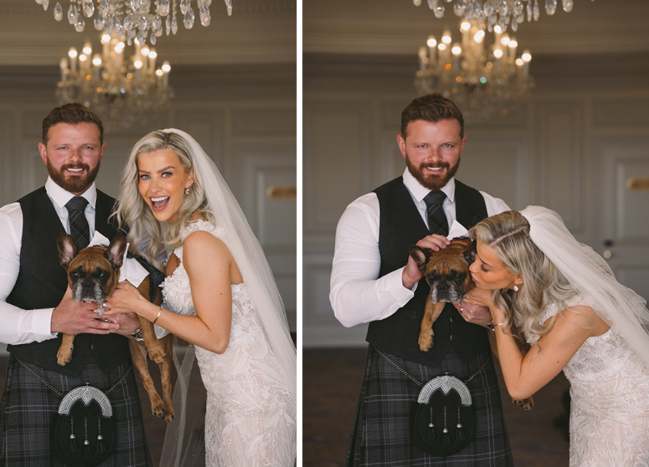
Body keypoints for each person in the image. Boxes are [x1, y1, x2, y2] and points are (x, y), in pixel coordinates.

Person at [0, 103, 152, 466]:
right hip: (38, 380)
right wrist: (53, 321)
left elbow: (158, 299)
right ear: (43, 151)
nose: (76, 158)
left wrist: (140, 328)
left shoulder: (132, 220)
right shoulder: (9, 221)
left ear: (102, 151)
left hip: (117, 381)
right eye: (63, 147)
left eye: (87, 147)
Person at [330, 94, 514, 465]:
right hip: (397, 368)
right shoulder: (366, 212)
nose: (435, 157)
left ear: (462, 144)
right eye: (422, 145)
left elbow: (524, 289)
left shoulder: (493, 209)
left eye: (446, 144)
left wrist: (496, 318)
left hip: (474, 368)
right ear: (402, 145)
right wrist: (406, 276)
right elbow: (345, 308)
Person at [104, 129, 297, 466]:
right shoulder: (183, 238)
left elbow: (216, 337)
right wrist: (135, 324)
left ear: (189, 177)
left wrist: (142, 305)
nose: (153, 187)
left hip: (252, 398)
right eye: (145, 176)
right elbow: (184, 321)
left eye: (166, 174)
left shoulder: (200, 242)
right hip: (227, 394)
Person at [466, 206, 649, 466]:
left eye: (484, 267)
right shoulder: (536, 284)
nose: (472, 269)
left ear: (519, 275)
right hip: (588, 401)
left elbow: (520, 386)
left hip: (629, 409)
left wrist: (496, 310)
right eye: (475, 257)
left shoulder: (579, 313)